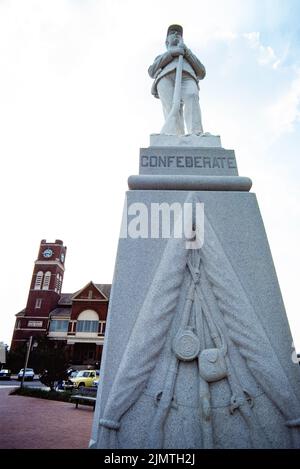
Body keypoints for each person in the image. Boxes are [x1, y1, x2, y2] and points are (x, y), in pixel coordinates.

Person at [148, 24, 206, 135]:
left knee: (192, 95)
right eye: (172, 32)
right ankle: (175, 134)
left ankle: (196, 132)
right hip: (165, 78)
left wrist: (186, 52)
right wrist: (171, 53)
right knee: (171, 106)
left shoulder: (188, 54)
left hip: (187, 76)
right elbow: (151, 71)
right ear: (166, 41)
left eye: (178, 33)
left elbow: (202, 72)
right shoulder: (161, 56)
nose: (176, 34)